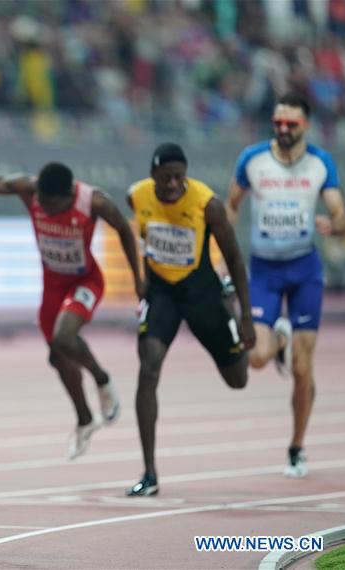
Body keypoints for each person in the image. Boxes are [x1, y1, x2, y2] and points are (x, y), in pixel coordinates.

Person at [0, 163, 142, 459]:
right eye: (40, 200)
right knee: (57, 358)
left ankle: (102, 380)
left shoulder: (94, 202)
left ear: (69, 196)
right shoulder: (28, 188)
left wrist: (139, 282)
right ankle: (84, 419)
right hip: (53, 288)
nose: (43, 207)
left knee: (65, 338)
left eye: (51, 205)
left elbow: (125, 231)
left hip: (85, 282)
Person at [226, 93, 345, 478]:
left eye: (290, 124)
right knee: (258, 358)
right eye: (277, 122)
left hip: (304, 270)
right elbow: (231, 206)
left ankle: (296, 447)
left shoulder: (320, 163)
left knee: (302, 367)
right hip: (263, 270)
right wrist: (225, 250)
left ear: (305, 126)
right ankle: (279, 336)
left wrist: (336, 223)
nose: (282, 129)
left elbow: (340, 213)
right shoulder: (253, 159)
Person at [126, 143, 255, 496]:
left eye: (178, 178)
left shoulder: (207, 204)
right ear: (152, 175)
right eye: (165, 177)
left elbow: (235, 258)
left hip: (204, 294)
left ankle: (235, 327)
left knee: (238, 379)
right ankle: (149, 473)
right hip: (162, 295)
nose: (171, 184)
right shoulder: (136, 197)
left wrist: (244, 317)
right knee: (148, 367)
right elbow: (135, 237)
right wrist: (141, 279)